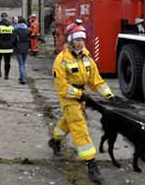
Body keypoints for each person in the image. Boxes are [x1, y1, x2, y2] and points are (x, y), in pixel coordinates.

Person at [48, 19, 116, 183]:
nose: (80, 43)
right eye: (77, 40)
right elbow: (62, 86)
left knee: (68, 122)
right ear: (70, 41)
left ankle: (54, 140)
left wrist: (108, 94)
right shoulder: (61, 60)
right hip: (68, 98)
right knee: (79, 126)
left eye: (82, 40)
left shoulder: (87, 57)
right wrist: (79, 95)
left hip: (81, 96)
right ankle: (91, 164)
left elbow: (95, 80)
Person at [0, 12, 14, 80]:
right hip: (8, 47)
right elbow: (14, 36)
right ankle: (6, 75)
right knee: (7, 62)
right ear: (7, 17)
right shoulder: (11, 27)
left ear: (1, 17)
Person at [11, 16, 30, 85]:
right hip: (26, 48)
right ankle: (22, 77)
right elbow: (30, 40)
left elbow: (13, 40)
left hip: (18, 48)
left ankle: (23, 80)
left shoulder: (16, 30)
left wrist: (13, 47)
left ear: (18, 22)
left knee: (21, 64)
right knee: (23, 64)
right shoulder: (28, 30)